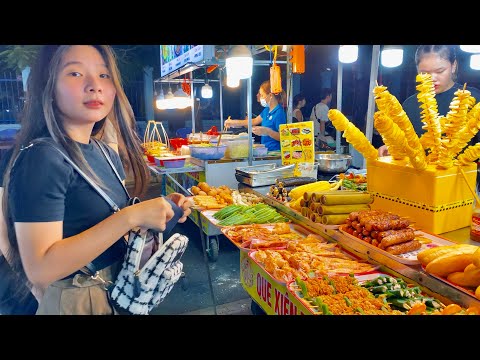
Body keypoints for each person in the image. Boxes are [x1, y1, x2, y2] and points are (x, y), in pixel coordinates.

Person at [1, 45, 193, 315]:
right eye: (76, 73)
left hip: (115, 292)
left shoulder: (103, 151)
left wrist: (160, 211)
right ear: (48, 86)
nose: (94, 86)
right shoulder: (43, 157)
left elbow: (108, 228)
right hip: (79, 300)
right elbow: (41, 270)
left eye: (104, 75)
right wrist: (130, 216)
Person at [378, 45, 480, 156]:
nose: (432, 78)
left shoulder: (472, 98)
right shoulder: (410, 105)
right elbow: (406, 144)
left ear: (453, 66)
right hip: (418, 171)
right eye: (424, 73)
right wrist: (392, 148)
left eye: (440, 71)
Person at [224, 80, 287, 151]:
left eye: (262, 95)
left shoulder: (279, 113)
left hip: (276, 152)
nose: (261, 98)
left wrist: (268, 131)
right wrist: (233, 122)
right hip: (266, 150)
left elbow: (284, 137)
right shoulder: (267, 110)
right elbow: (254, 121)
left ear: (270, 96)